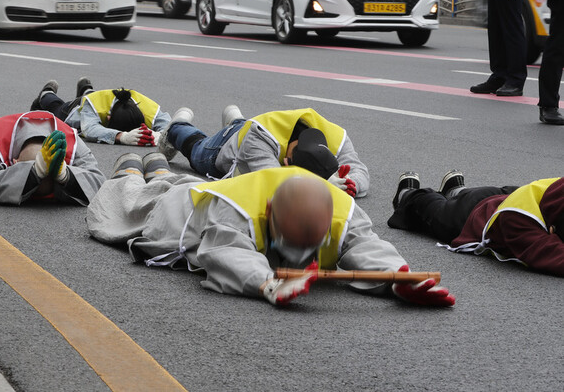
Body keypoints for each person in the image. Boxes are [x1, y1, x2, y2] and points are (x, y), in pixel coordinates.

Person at [87, 159, 453, 307]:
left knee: (168, 176)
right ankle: (133, 165)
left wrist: (398, 279)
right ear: (270, 215)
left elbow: (366, 245)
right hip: (179, 209)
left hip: (209, 192)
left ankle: (157, 166)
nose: (296, 258)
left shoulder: (341, 209)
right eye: (288, 244)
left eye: (307, 247)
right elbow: (227, 253)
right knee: (134, 196)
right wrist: (268, 283)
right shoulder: (233, 212)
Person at [155, 106, 366, 197]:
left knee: (242, 125)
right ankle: (177, 126)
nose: (283, 162)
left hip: (250, 127)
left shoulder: (336, 138)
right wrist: (322, 188)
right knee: (197, 150)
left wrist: (348, 184)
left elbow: (360, 171)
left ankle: (236, 118)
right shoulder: (260, 139)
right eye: (288, 160)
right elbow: (275, 183)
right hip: (228, 146)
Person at [388, 170, 564, 276]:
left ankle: (456, 192)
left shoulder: (552, 194)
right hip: (480, 213)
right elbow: (550, 255)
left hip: (503, 195)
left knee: (467, 198)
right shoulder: (519, 220)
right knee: (435, 213)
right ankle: (407, 194)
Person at [30, 77, 171, 146]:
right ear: (108, 118)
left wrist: (159, 135)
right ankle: (46, 93)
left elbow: (169, 123)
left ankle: (87, 88)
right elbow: (90, 129)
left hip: (96, 97)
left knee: (90, 94)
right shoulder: (95, 106)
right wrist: (121, 136)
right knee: (56, 108)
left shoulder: (146, 107)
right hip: (77, 108)